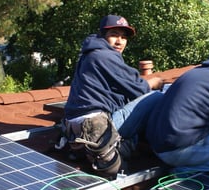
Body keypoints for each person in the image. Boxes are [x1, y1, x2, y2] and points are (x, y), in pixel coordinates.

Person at [63, 14, 164, 176]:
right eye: (114, 35)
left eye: (124, 37)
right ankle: (120, 146)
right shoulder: (104, 55)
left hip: (75, 131)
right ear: (103, 35)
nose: (119, 41)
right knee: (156, 97)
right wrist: (154, 82)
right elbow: (139, 88)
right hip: (96, 128)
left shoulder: (89, 54)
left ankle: (95, 148)